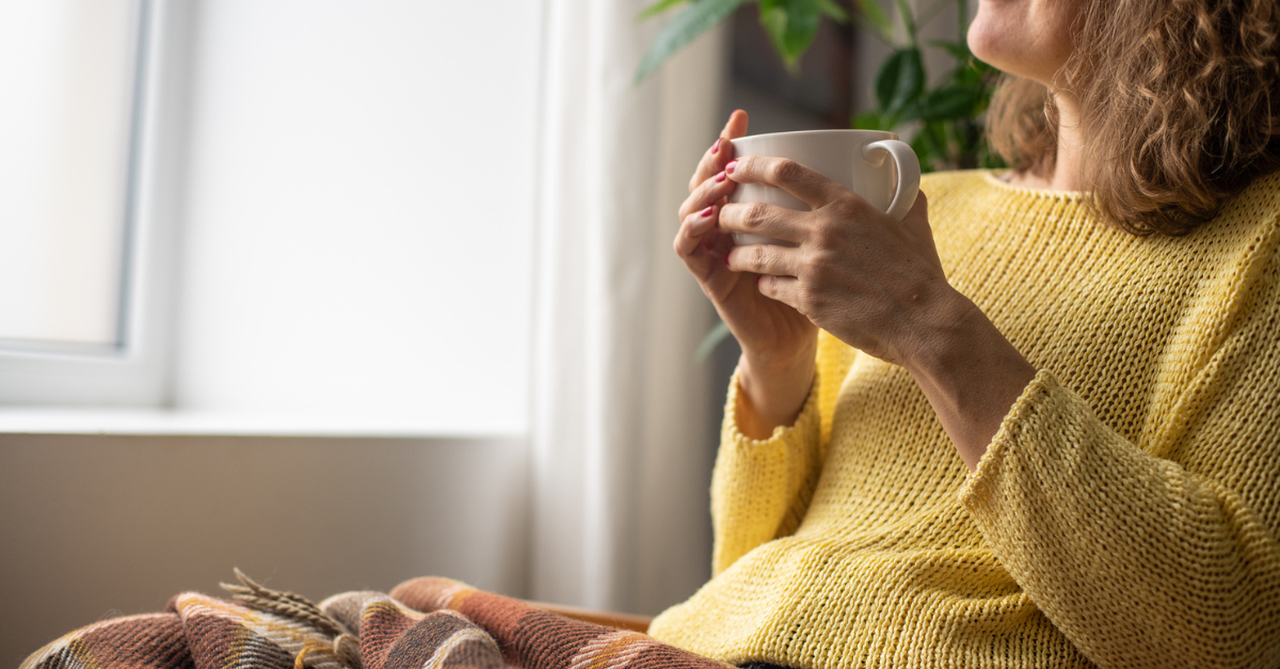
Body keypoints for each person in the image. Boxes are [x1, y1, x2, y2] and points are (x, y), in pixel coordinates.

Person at [650, 0, 1280, 667]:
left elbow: (1226, 634)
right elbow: (745, 573)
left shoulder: (1259, 244)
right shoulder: (917, 209)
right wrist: (777, 359)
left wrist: (929, 323)